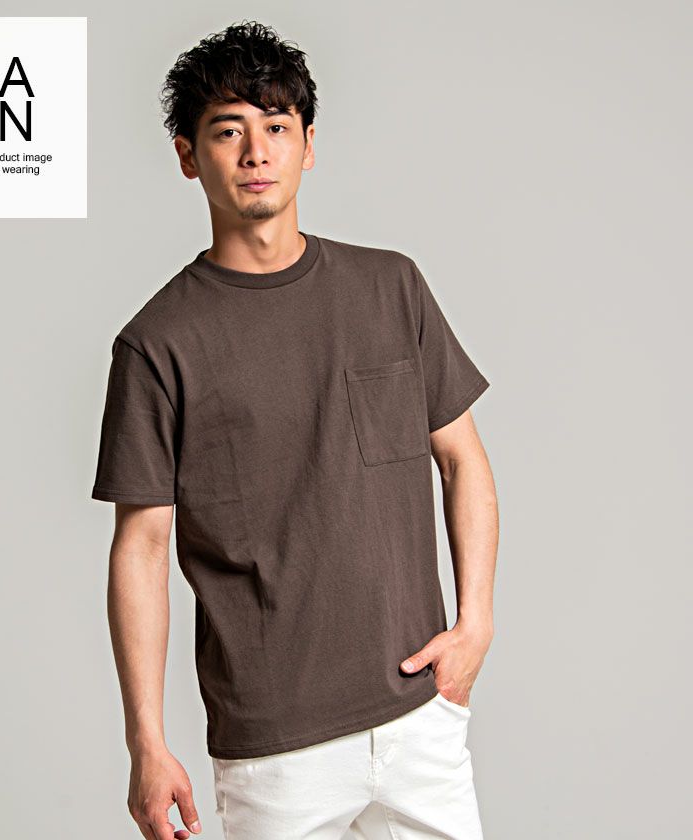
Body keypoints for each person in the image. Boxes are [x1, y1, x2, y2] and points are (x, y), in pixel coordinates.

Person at [91, 19, 498, 840]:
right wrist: (146, 741)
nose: (256, 152)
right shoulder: (157, 344)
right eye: (227, 131)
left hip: (419, 714)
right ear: (187, 155)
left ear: (309, 145)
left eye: (277, 127)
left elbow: (462, 460)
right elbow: (141, 548)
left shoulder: (391, 288)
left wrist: (475, 623)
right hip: (275, 746)